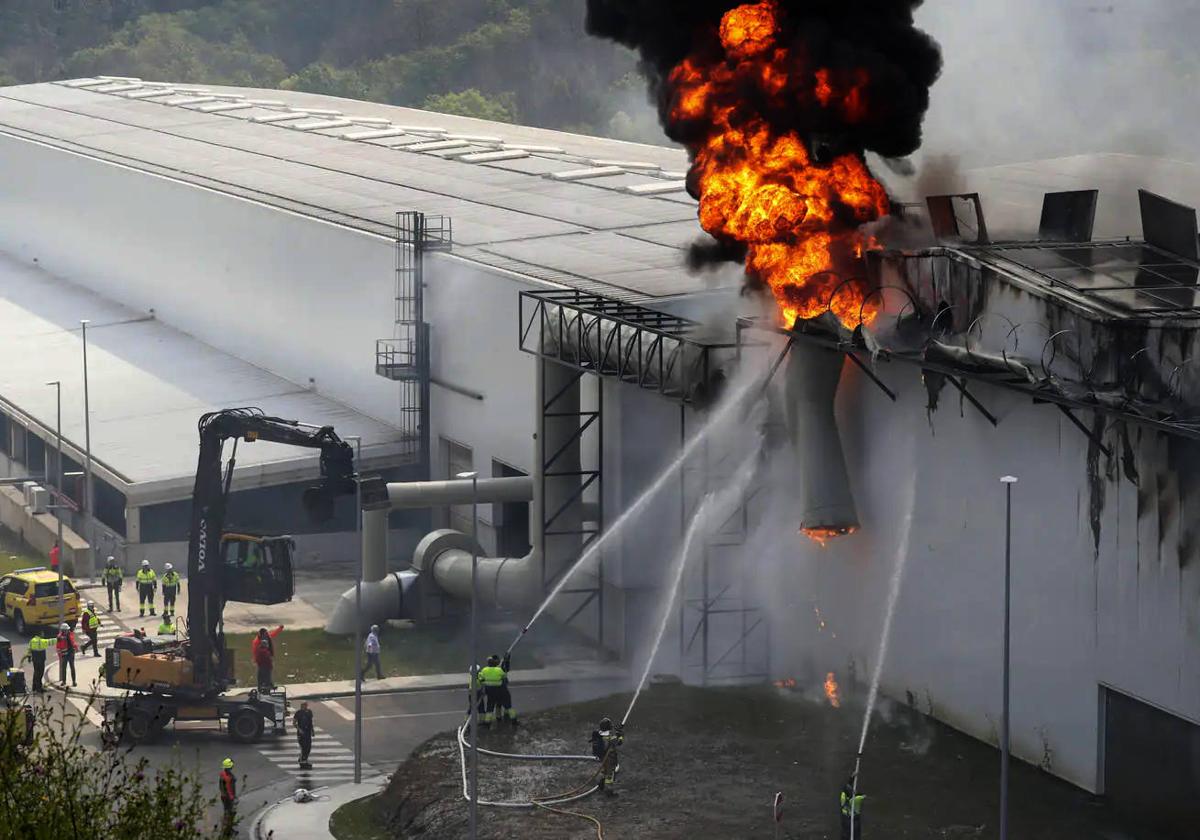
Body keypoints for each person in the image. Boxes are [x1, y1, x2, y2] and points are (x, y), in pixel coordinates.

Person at [478, 653, 518, 728]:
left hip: (490, 692)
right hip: (501, 690)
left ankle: (487, 723)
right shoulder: (499, 670)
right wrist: (507, 661)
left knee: (490, 707)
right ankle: (514, 721)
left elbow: (481, 679)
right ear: (496, 662)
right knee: (508, 706)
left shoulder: (484, 670)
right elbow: (505, 676)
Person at [590, 716, 624, 796]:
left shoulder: (599, 734)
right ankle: (609, 792)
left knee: (605, 771)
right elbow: (619, 742)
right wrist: (621, 735)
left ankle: (601, 784)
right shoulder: (611, 738)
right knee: (610, 775)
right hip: (609, 758)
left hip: (602, 757)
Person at [251, 625, 283, 693]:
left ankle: (268, 686)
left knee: (266, 677)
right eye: (265, 634)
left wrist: (279, 629)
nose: (266, 635)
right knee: (263, 677)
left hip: (265, 662)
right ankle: (265, 689)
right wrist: (256, 660)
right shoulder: (257, 642)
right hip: (261, 662)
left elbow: (273, 634)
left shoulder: (266, 637)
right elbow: (255, 651)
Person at [840, 774, 865, 840]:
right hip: (854, 823)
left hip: (845, 822)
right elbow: (863, 796)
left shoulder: (843, 797)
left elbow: (845, 788)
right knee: (856, 837)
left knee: (844, 836)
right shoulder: (857, 800)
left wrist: (851, 779)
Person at [218, 757, 237, 837]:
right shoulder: (228, 777)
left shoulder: (223, 774)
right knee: (230, 813)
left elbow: (221, 787)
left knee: (227, 812)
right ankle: (227, 829)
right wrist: (232, 797)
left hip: (224, 796)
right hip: (228, 797)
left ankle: (227, 828)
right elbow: (229, 788)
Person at [293, 701, 314, 768]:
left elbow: (310, 722)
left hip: (307, 732)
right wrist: (299, 729)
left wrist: (312, 731)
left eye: (305, 705)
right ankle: (303, 761)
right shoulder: (298, 713)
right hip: (301, 733)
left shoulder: (309, 712)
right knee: (303, 747)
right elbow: (294, 723)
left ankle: (304, 759)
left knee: (308, 747)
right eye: (303, 705)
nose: (304, 706)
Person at [56, 622, 77, 687]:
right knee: (64, 668)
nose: (67, 631)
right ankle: (64, 681)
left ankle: (74, 681)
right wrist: (60, 655)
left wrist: (75, 648)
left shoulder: (70, 634)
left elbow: (73, 643)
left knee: (72, 667)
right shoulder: (59, 637)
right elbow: (58, 647)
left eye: (67, 630)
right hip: (64, 655)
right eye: (65, 630)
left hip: (70, 654)